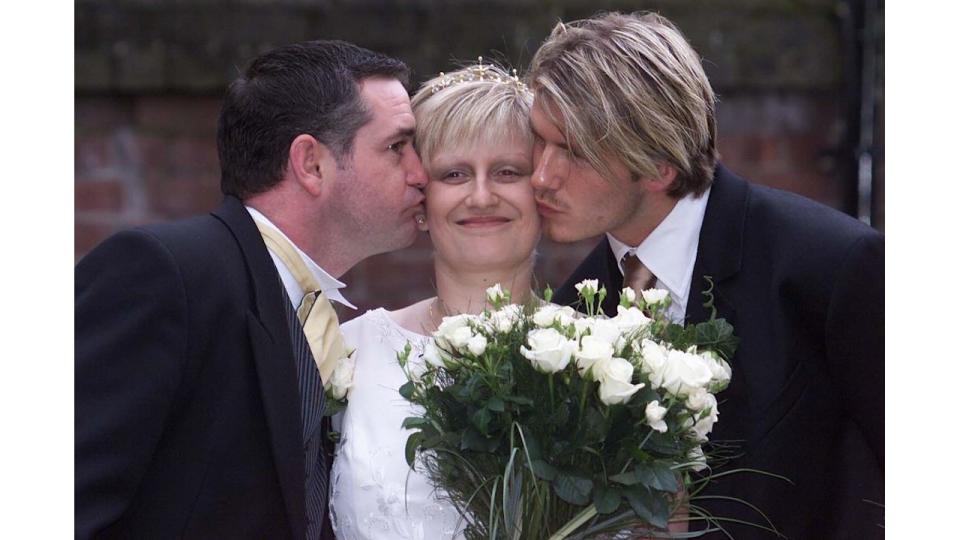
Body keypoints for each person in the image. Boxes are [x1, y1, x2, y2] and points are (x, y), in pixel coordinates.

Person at [528, 12, 883, 539]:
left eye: (573, 151)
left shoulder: (832, 265)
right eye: (538, 140)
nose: (541, 175)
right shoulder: (565, 318)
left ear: (657, 165)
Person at [75, 40, 428, 539]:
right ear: (311, 164)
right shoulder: (164, 273)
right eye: (397, 147)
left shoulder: (308, 305)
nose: (420, 173)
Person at [328, 62, 539, 539]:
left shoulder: (611, 358)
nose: (481, 196)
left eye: (507, 172)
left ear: (541, 190)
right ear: (421, 201)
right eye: (455, 174)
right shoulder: (349, 352)